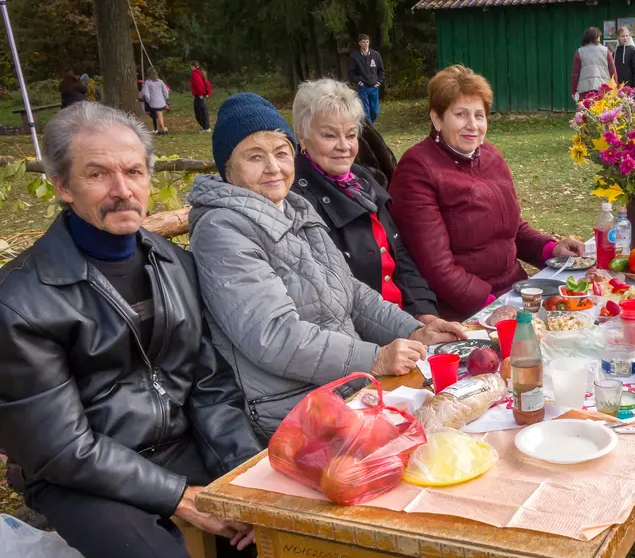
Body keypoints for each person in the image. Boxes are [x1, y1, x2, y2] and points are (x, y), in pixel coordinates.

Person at [0, 102, 261, 558]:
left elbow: (210, 383)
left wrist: (245, 474)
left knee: (284, 507)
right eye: (98, 174)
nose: (122, 190)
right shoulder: (19, 299)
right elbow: (60, 448)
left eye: (135, 171)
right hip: (76, 475)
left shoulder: (173, 261)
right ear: (63, 186)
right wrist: (180, 497)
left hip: (171, 443)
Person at [188, 92, 466, 440]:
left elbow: (350, 292)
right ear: (228, 168)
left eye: (280, 152)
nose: (273, 167)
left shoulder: (296, 209)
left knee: (457, 424)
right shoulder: (222, 230)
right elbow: (272, 336)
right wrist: (373, 359)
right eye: (255, 157)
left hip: (346, 389)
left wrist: (412, 330)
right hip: (294, 410)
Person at [389, 65, 585, 321]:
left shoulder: (490, 155)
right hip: (463, 311)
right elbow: (437, 269)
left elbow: (512, 228)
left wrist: (550, 250)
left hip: (514, 291)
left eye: (479, 115)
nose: (473, 125)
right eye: (461, 114)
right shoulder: (417, 169)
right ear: (437, 118)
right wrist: (492, 306)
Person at [291, 78, 439, 320]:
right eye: (329, 136)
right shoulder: (297, 200)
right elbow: (333, 301)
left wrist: (425, 314)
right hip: (366, 339)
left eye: (350, 135)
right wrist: (404, 333)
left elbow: (400, 255)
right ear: (302, 136)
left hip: (406, 325)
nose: (344, 146)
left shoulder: (364, 181)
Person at [572, 26, 617, 102]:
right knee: (602, 112)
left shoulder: (579, 52)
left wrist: (573, 90)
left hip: (585, 89)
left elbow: (575, 73)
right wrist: (615, 87)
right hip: (603, 88)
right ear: (597, 37)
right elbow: (612, 70)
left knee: (587, 112)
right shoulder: (605, 50)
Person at [348, 34, 384, 125]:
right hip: (363, 87)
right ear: (359, 43)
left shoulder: (375, 55)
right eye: (363, 42)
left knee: (375, 111)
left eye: (367, 42)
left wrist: (379, 82)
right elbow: (351, 72)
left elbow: (381, 70)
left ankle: (370, 125)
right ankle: (370, 129)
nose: (366, 44)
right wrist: (359, 82)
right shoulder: (354, 56)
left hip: (374, 87)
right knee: (366, 111)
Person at [140, 67, 169, 135]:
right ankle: (160, 131)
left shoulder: (147, 83)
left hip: (154, 102)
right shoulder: (160, 81)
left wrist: (148, 100)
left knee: (159, 115)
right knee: (160, 114)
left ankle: (164, 129)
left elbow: (146, 94)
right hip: (161, 101)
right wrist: (166, 99)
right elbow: (166, 92)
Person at [614, 27, 635, 94]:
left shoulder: (633, 51)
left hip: (629, 87)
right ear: (618, 37)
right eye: (622, 36)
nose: (625, 38)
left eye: (627, 36)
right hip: (616, 87)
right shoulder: (615, 52)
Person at [189, 61, 212, 132]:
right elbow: (207, 83)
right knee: (202, 110)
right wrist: (208, 93)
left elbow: (198, 84)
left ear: (193, 66)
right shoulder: (201, 72)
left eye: (191, 66)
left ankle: (206, 127)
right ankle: (204, 126)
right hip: (202, 94)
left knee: (200, 112)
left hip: (200, 95)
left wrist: (200, 94)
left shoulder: (195, 74)